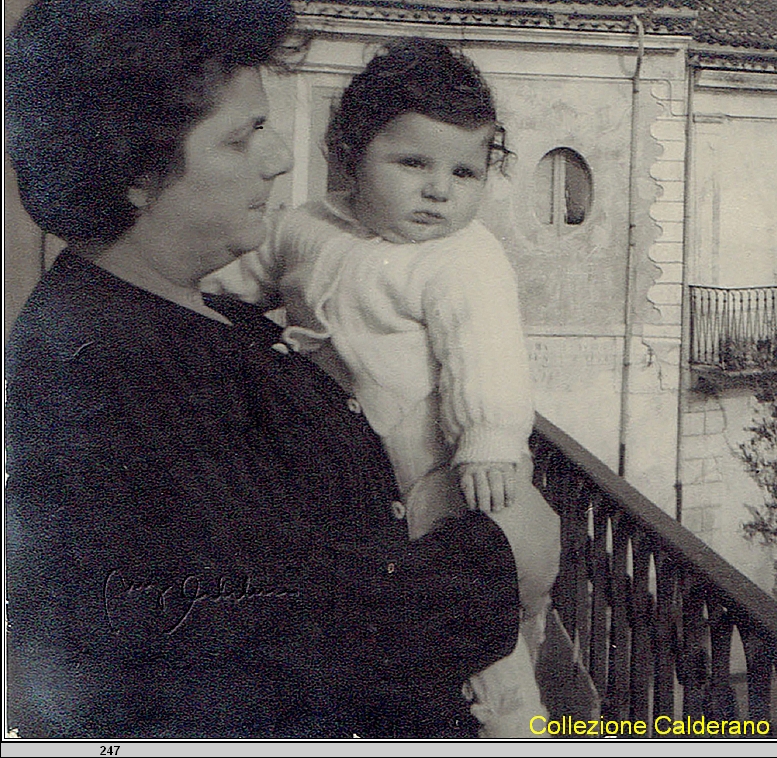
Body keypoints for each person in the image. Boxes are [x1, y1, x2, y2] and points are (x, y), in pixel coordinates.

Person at [4, 0, 520, 738]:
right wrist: (501, 559)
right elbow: (281, 647)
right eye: (245, 135)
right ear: (141, 170)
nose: (281, 158)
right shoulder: (114, 366)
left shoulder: (203, 313)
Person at [205, 38, 560, 737]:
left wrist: (488, 437)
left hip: (445, 469)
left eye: (466, 171)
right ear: (349, 154)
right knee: (402, 610)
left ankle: (518, 726)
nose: (440, 189)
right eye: (413, 163)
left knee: (484, 628)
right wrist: (211, 296)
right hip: (362, 474)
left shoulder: (463, 257)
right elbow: (246, 283)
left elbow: (487, 352)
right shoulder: (308, 225)